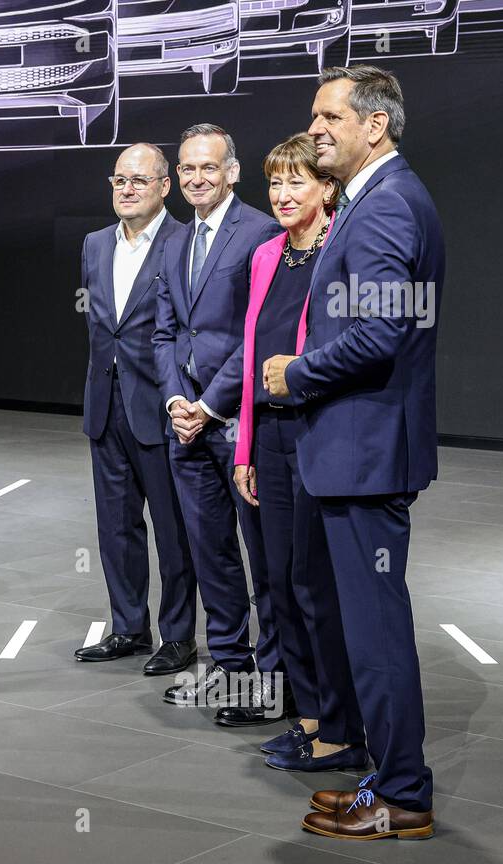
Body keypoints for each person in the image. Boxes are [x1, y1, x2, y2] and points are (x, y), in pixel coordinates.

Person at [263, 65, 444, 840]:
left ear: (375, 125)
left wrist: (294, 374)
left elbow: (378, 336)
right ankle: (389, 778)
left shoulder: (383, 208)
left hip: (363, 452)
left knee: (375, 635)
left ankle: (402, 797)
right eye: (314, 116)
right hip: (362, 450)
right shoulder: (381, 200)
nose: (316, 130)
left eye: (330, 117)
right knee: (373, 630)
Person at [229, 133, 367, 773]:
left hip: (321, 434)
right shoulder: (264, 258)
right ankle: (309, 719)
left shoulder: (342, 249)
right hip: (272, 438)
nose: (282, 195)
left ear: (327, 189)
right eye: (275, 184)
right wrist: (246, 448)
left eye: (297, 183)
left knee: (317, 586)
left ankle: (340, 731)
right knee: (280, 583)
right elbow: (255, 355)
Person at [150, 124, 286, 724]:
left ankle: (277, 684)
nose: (196, 178)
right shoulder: (176, 240)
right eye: (186, 170)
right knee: (212, 557)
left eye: (208, 168)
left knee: (265, 560)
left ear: (232, 171)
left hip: (238, 428)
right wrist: (179, 401)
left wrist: (209, 405)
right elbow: (164, 332)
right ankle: (231, 671)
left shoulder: (260, 233)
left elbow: (258, 337)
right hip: (188, 428)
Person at [73, 144, 197, 670]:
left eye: (139, 180)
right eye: (119, 180)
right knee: (116, 526)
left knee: (173, 530)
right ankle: (128, 628)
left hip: (163, 406)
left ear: (165, 186)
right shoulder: (95, 244)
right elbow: (102, 328)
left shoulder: (184, 242)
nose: (126, 189)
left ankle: (178, 636)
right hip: (106, 405)